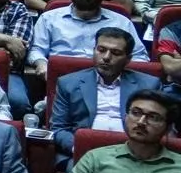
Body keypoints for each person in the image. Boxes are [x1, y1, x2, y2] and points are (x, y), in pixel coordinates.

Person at [53, 27, 162, 164]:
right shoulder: (68, 83)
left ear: (128, 59)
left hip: (132, 154)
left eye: (115, 53)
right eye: (101, 50)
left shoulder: (149, 85)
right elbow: (59, 128)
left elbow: (158, 127)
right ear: (94, 50)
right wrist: (78, 146)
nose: (106, 57)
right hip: (85, 154)